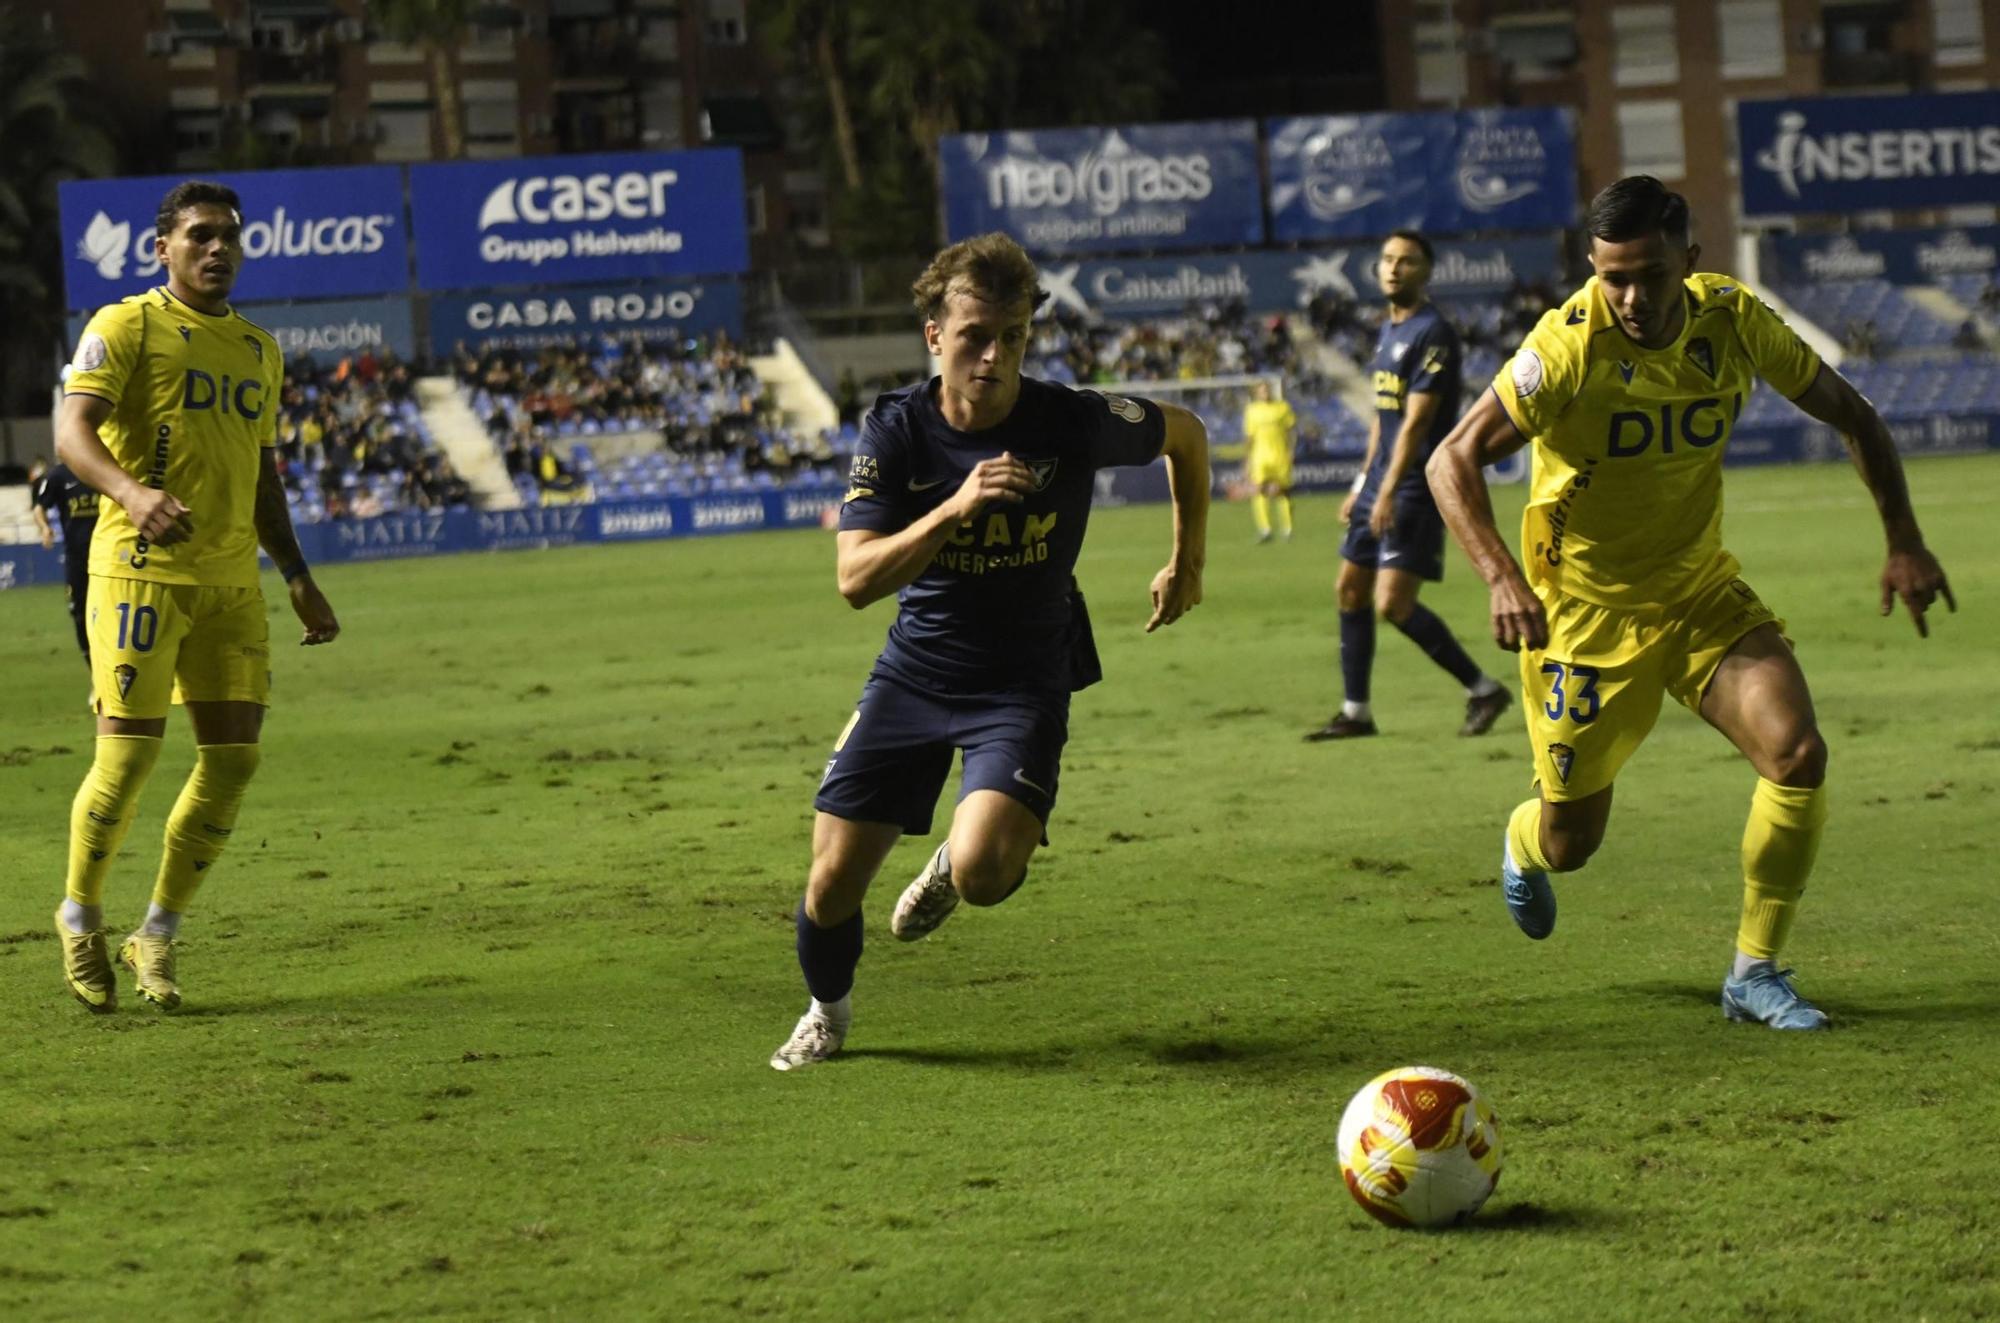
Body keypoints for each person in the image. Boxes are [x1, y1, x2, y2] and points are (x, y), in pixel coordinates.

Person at [1425, 176, 1954, 1030]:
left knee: (1797, 752)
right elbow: (1450, 460)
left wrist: (1903, 538)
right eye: (1612, 277)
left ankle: (1755, 971)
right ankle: (1525, 841)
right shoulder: (1564, 348)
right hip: (1585, 617)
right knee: (1573, 843)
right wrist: (1499, 576)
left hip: (1699, 591)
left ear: (1691, 263)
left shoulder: (1734, 320)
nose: (1630, 297)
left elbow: (1854, 414)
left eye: (1650, 275)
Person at [770, 232, 1209, 1071]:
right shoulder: (896, 430)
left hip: (1024, 680)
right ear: (934, 334)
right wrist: (953, 509)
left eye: (1013, 337)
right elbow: (855, 579)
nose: (994, 355)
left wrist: (1186, 561)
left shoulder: (1071, 421)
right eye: (975, 335)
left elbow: (1186, 436)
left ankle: (955, 853)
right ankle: (827, 1010)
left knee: (984, 872)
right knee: (828, 888)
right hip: (916, 671)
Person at [51, 178, 340, 1014]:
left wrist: (296, 574)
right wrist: (131, 493)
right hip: (137, 569)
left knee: (234, 759)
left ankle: (159, 932)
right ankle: (79, 912)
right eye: (201, 235)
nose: (218, 250)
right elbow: (73, 432)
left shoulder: (259, 349)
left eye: (230, 238)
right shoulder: (126, 324)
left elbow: (262, 475)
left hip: (228, 583)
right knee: (129, 756)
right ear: (164, 248)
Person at [1307, 229, 1511, 742]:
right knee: (1349, 590)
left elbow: (1418, 423)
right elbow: (1384, 418)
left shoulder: (1432, 332)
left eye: (1408, 261)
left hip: (1416, 486)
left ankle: (1482, 688)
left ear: (1426, 271)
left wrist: (1391, 490)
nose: (1395, 268)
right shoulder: (1388, 331)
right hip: (1381, 481)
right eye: (1388, 260)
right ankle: (1356, 712)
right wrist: (1362, 484)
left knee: (1393, 604)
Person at [28, 455, 100, 669]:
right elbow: (39, 508)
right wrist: (45, 528)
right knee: (79, 614)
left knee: (114, 613)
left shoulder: (102, 466)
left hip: (109, 555)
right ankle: (95, 673)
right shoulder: (58, 475)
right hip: (77, 558)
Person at [1241, 379, 1296, 542]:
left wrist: (1291, 451)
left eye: (1267, 389)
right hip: (1259, 456)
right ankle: (1265, 529)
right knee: (1259, 490)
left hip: (1280, 455)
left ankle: (1287, 529)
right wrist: (1247, 459)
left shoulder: (1283, 407)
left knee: (1282, 491)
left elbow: (1291, 431)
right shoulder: (1251, 410)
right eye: (1262, 390)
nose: (1265, 392)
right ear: (1257, 393)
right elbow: (1249, 437)